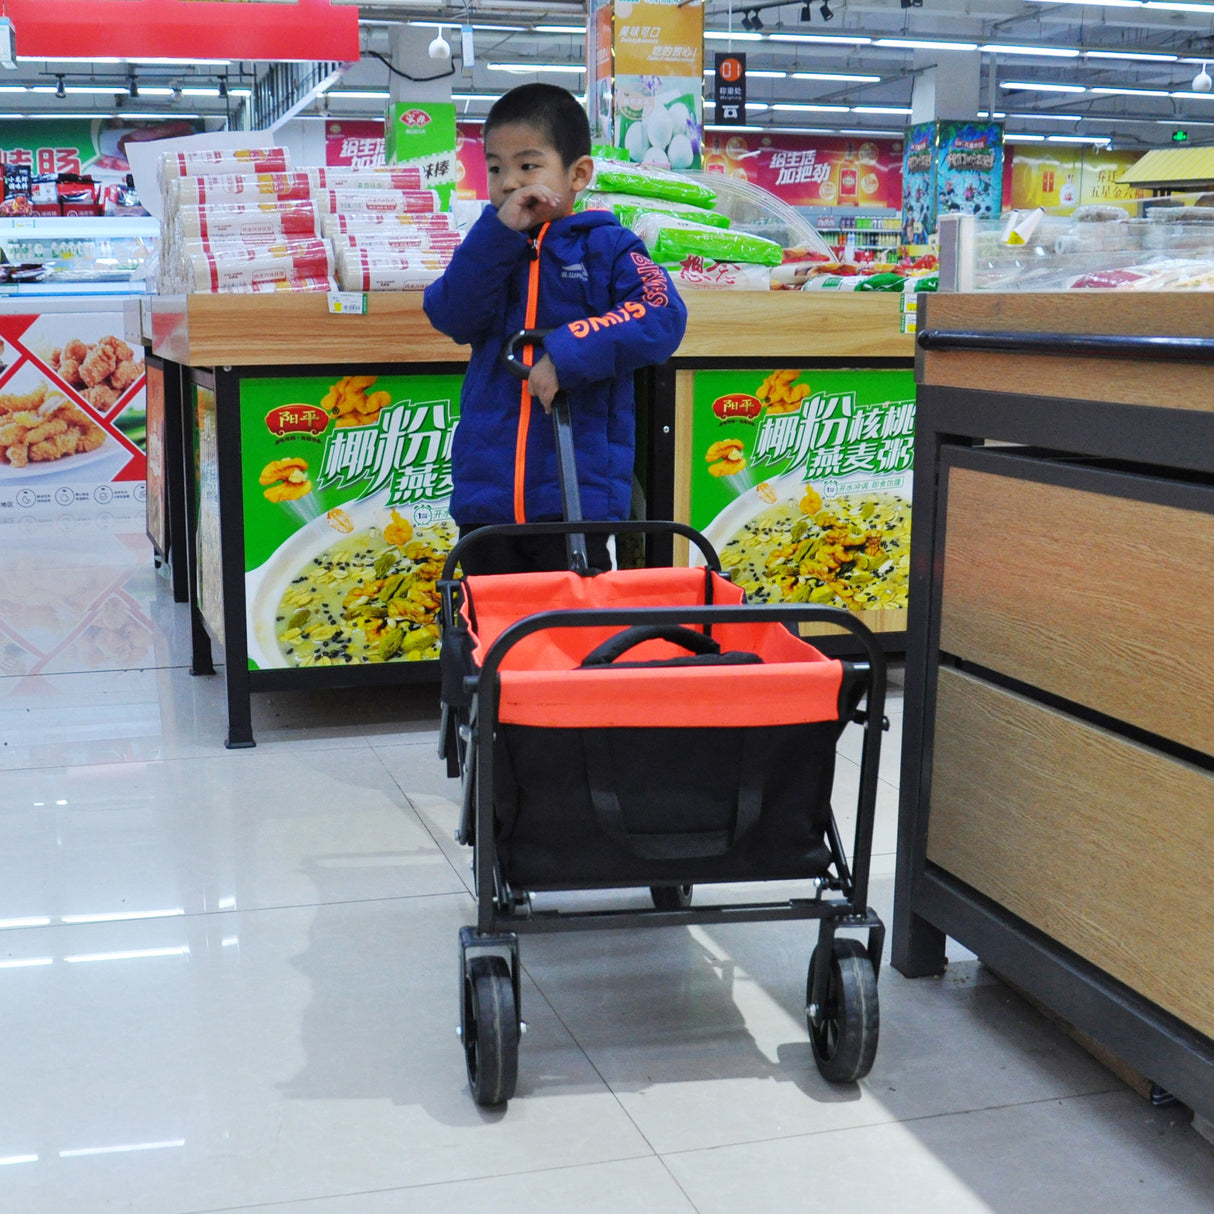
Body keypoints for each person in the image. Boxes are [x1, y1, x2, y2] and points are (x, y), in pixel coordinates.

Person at [423, 83, 687, 575]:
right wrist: (495, 237)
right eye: (496, 168)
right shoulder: (489, 244)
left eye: (528, 165)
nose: (508, 183)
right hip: (488, 498)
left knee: (572, 634)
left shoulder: (609, 247)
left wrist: (566, 353)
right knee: (494, 632)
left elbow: (661, 313)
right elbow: (450, 313)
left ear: (578, 173)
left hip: (576, 496)